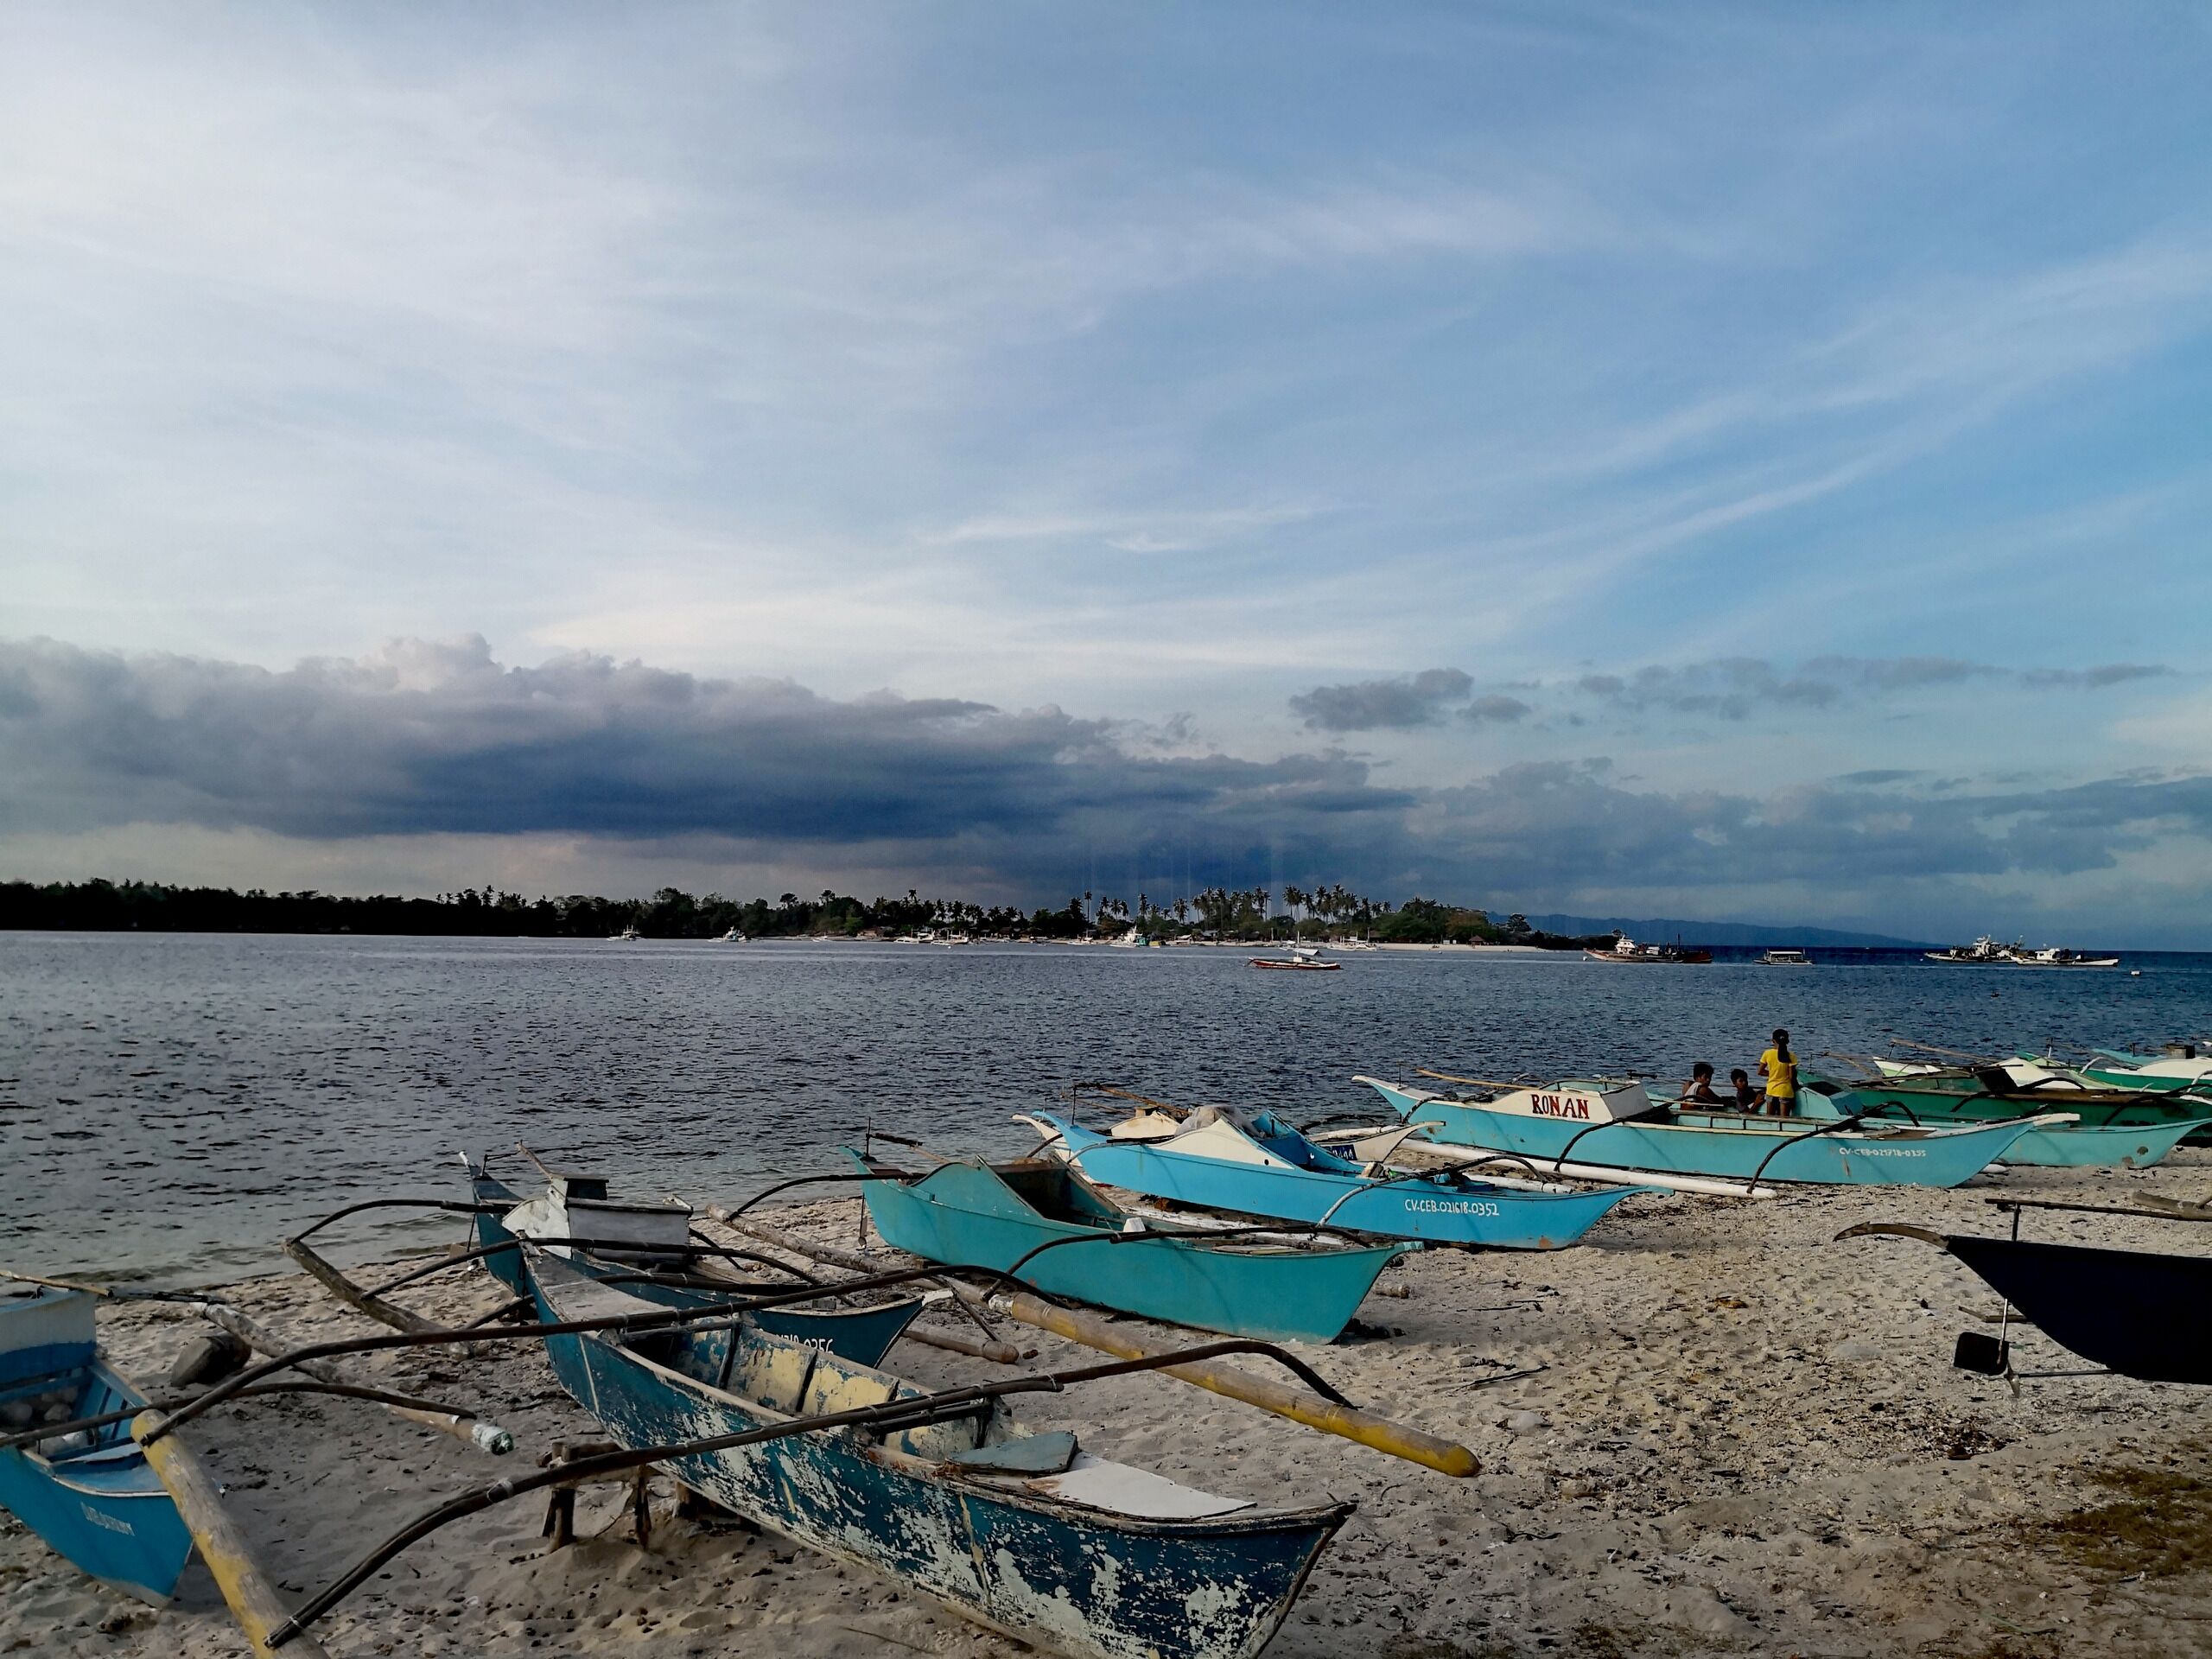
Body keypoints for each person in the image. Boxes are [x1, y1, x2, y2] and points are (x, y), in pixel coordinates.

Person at [1758, 1028, 1799, 1117]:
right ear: (1787, 1041)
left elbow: (1760, 1072)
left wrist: (1772, 1073)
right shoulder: (1791, 1056)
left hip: (1771, 1089)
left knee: (1769, 1119)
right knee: (1784, 1119)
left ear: (1773, 1041)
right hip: (1785, 1091)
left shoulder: (1767, 1053)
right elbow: (1791, 1077)